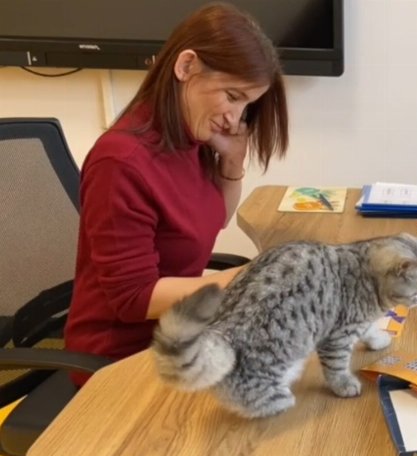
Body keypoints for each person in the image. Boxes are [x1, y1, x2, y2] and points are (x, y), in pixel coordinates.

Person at [64, 2, 289, 385]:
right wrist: (249, 279)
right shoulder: (121, 162)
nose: (235, 118)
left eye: (246, 105)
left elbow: (213, 220)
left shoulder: (189, 139)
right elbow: (134, 298)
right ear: (186, 67)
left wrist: (232, 161)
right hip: (117, 362)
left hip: (179, 335)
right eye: (232, 96)